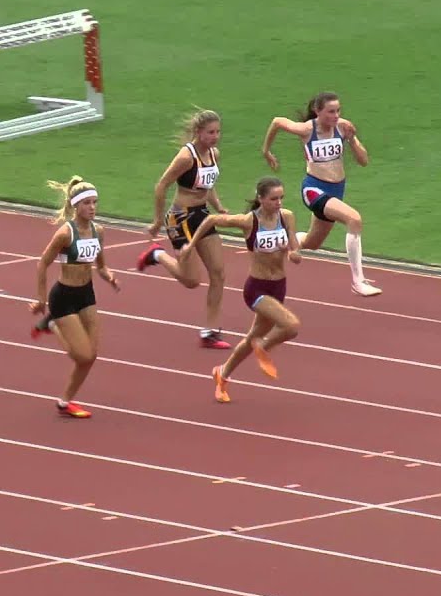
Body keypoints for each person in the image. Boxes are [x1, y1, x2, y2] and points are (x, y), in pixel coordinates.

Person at [176, 177, 302, 403]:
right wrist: (191, 245)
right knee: (291, 326)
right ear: (261, 198)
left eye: (281, 198)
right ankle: (262, 347)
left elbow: (296, 254)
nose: (279, 202)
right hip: (257, 288)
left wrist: (291, 252)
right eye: (274, 198)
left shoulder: (287, 217)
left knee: (252, 335)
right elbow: (211, 219)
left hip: (279, 286)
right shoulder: (248, 221)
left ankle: (221, 374)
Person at [261, 91, 381, 297]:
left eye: (338, 111)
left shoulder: (343, 127)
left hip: (336, 190)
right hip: (314, 189)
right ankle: (358, 281)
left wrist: (352, 139)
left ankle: (281, 240)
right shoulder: (307, 129)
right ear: (318, 111)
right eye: (330, 112)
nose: (335, 116)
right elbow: (277, 121)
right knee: (354, 220)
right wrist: (266, 151)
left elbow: (363, 161)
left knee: (312, 243)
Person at [136, 108, 232, 349]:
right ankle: (157, 255)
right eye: (210, 132)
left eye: (218, 132)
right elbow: (161, 186)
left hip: (202, 216)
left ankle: (210, 332)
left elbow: (208, 185)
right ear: (198, 132)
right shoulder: (186, 157)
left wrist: (218, 206)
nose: (215, 136)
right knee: (191, 281)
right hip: (180, 218)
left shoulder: (214, 154)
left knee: (219, 273)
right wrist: (158, 221)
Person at [29, 176, 121, 419]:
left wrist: (109, 276)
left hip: (86, 294)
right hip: (64, 297)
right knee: (83, 355)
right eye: (87, 203)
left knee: (91, 356)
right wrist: (41, 299)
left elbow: (100, 266)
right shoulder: (65, 234)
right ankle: (51, 322)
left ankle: (64, 401)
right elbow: (42, 263)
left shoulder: (98, 231)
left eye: (95, 202)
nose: (93, 207)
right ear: (76, 206)